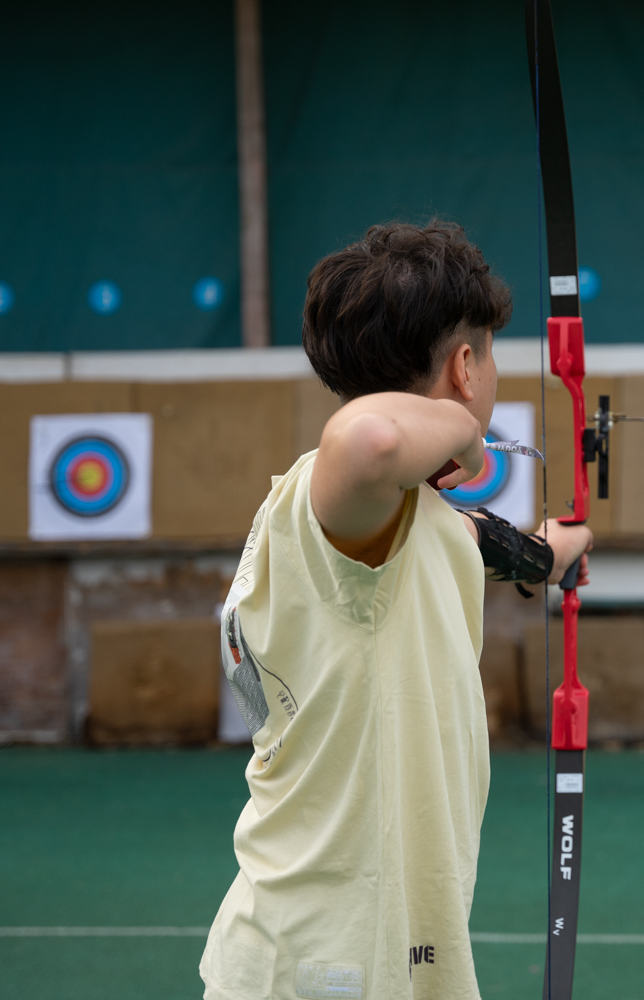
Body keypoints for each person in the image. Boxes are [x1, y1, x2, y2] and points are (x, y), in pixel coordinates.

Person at [201, 220, 592, 1000]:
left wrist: (550, 554)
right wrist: (469, 435)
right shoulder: (336, 495)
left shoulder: (383, 525)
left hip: (343, 953)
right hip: (336, 962)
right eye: (487, 357)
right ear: (465, 365)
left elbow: (467, 538)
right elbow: (374, 438)